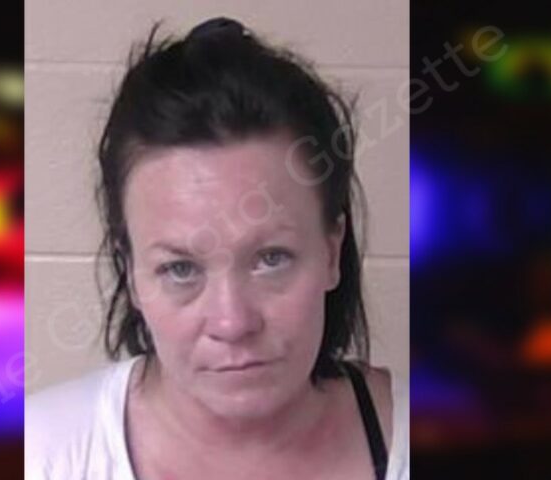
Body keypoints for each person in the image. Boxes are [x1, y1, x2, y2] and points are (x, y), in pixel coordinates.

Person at [26, 17, 409, 480]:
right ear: (131, 273)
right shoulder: (40, 454)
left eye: (272, 259)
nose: (233, 323)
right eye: (180, 268)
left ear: (331, 251)